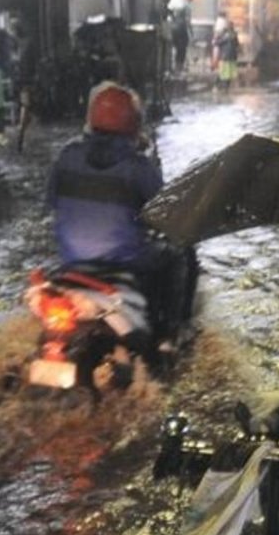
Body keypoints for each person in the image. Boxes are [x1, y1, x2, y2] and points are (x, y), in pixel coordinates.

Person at [44, 82, 192, 343]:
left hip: (72, 265)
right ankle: (172, 336)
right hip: (125, 265)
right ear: (134, 124)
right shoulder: (138, 167)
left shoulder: (67, 156)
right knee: (179, 254)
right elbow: (168, 213)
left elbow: (52, 203)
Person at [213, 20, 240, 93]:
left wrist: (216, 40)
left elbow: (216, 43)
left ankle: (220, 87)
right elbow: (237, 45)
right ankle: (223, 87)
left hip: (226, 56)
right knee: (227, 73)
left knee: (224, 73)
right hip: (229, 57)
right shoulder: (233, 34)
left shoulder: (226, 34)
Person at [171, 6, 191, 73]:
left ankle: (177, 68)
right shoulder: (182, 22)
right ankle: (179, 69)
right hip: (181, 42)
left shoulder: (176, 21)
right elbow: (184, 32)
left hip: (178, 41)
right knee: (181, 55)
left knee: (177, 55)